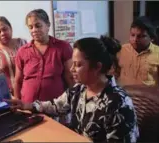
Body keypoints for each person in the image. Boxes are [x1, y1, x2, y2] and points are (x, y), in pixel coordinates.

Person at [7, 37, 139, 142]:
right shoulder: (79, 90)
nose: (72, 69)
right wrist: (25, 105)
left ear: (97, 67)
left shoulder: (118, 103)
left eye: (78, 65)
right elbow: (55, 106)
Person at [14, 9, 74, 103]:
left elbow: (70, 76)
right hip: (28, 107)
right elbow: (18, 81)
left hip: (55, 107)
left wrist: (74, 101)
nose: (34, 30)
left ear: (48, 25)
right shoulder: (22, 51)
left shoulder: (63, 47)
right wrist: (17, 102)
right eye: (30, 27)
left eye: (38, 26)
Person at [117, 16, 159, 91]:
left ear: (151, 38)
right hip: (124, 98)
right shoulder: (121, 50)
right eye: (132, 35)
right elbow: (115, 74)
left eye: (141, 36)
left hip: (148, 100)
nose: (135, 39)